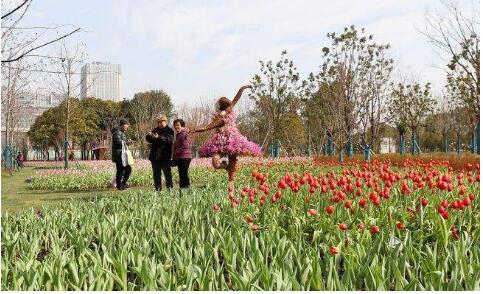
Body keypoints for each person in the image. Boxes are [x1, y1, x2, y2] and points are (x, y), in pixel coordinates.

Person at [191, 85, 262, 188]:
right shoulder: (219, 117)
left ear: (220, 105)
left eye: (217, 103)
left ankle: (231, 185)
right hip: (220, 142)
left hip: (234, 141)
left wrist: (243, 88)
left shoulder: (227, 111)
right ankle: (226, 167)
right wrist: (193, 130)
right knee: (216, 163)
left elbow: (236, 98)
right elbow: (207, 127)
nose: (216, 104)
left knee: (233, 162)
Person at [146, 114, 174, 192]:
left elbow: (169, 140)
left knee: (167, 175)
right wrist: (149, 135)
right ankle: (158, 191)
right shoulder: (155, 130)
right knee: (156, 175)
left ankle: (170, 190)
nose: (159, 124)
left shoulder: (170, 130)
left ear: (166, 122)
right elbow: (149, 140)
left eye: (161, 122)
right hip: (155, 157)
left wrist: (159, 137)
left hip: (165, 157)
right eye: (158, 122)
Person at [111, 118, 132, 191]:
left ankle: (122, 184)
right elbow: (119, 143)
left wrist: (127, 142)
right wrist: (127, 142)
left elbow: (122, 143)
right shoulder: (117, 133)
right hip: (118, 155)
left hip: (121, 155)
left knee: (124, 170)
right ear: (123, 125)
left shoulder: (121, 133)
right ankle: (120, 186)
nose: (127, 127)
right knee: (122, 170)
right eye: (126, 125)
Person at [172, 119, 192, 189]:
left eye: (178, 125)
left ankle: (185, 191)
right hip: (182, 157)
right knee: (183, 175)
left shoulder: (184, 134)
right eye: (175, 125)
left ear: (182, 126)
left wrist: (176, 153)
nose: (176, 127)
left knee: (183, 175)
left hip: (184, 157)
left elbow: (185, 146)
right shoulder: (180, 134)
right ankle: (184, 191)